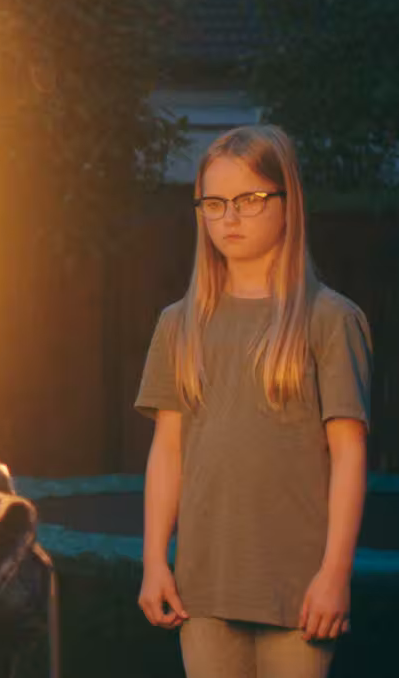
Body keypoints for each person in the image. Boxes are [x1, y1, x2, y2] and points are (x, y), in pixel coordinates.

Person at [133, 124, 371, 678]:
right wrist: (153, 561)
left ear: (288, 202)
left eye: (250, 199)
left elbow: (349, 454)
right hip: (203, 588)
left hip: (299, 591)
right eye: (214, 203)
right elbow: (168, 451)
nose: (230, 217)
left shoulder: (330, 320)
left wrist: (335, 573)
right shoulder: (178, 324)